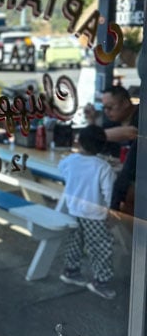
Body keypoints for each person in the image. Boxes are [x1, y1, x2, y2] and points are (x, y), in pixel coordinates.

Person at [58, 124, 116, 300]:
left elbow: (62, 170)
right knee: (100, 246)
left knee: (75, 242)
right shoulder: (104, 167)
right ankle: (100, 281)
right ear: (102, 145)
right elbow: (108, 193)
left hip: (73, 209)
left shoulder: (69, 160)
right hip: (95, 214)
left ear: (79, 141)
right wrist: (109, 212)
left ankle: (71, 271)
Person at [84, 85, 138, 157]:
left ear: (125, 103)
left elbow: (133, 132)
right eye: (104, 108)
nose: (106, 111)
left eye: (109, 107)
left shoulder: (142, 115)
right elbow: (95, 145)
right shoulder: (111, 122)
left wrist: (95, 135)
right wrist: (91, 119)